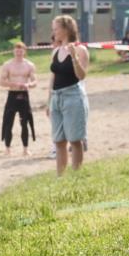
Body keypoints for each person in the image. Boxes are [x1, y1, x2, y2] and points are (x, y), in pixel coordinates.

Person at [47, 16, 90, 175]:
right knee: (58, 141)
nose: (54, 32)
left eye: (56, 28)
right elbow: (53, 78)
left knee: (75, 140)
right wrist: (48, 101)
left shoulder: (80, 49)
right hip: (56, 98)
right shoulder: (56, 51)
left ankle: (76, 176)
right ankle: (61, 177)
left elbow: (81, 75)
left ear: (66, 29)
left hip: (73, 97)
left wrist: (74, 57)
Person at [0, 42, 37, 156]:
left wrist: (28, 85)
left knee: (25, 122)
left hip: (24, 95)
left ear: (24, 51)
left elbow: (35, 81)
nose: (19, 53)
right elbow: (1, 82)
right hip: (12, 94)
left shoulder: (29, 65)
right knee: (8, 122)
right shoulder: (7, 65)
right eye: (17, 50)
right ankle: (7, 148)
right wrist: (14, 84)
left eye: (21, 51)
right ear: (13, 51)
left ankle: (25, 149)